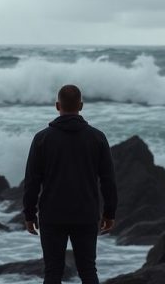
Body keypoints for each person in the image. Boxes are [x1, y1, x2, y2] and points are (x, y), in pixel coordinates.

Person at [22, 84, 118, 284]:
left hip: (52, 215)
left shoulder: (42, 139)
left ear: (58, 106)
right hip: (86, 214)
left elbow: (32, 181)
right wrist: (110, 213)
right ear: (81, 105)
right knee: (88, 271)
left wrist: (29, 214)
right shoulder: (97, 137)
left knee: (52, 273)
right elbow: (108, 180)